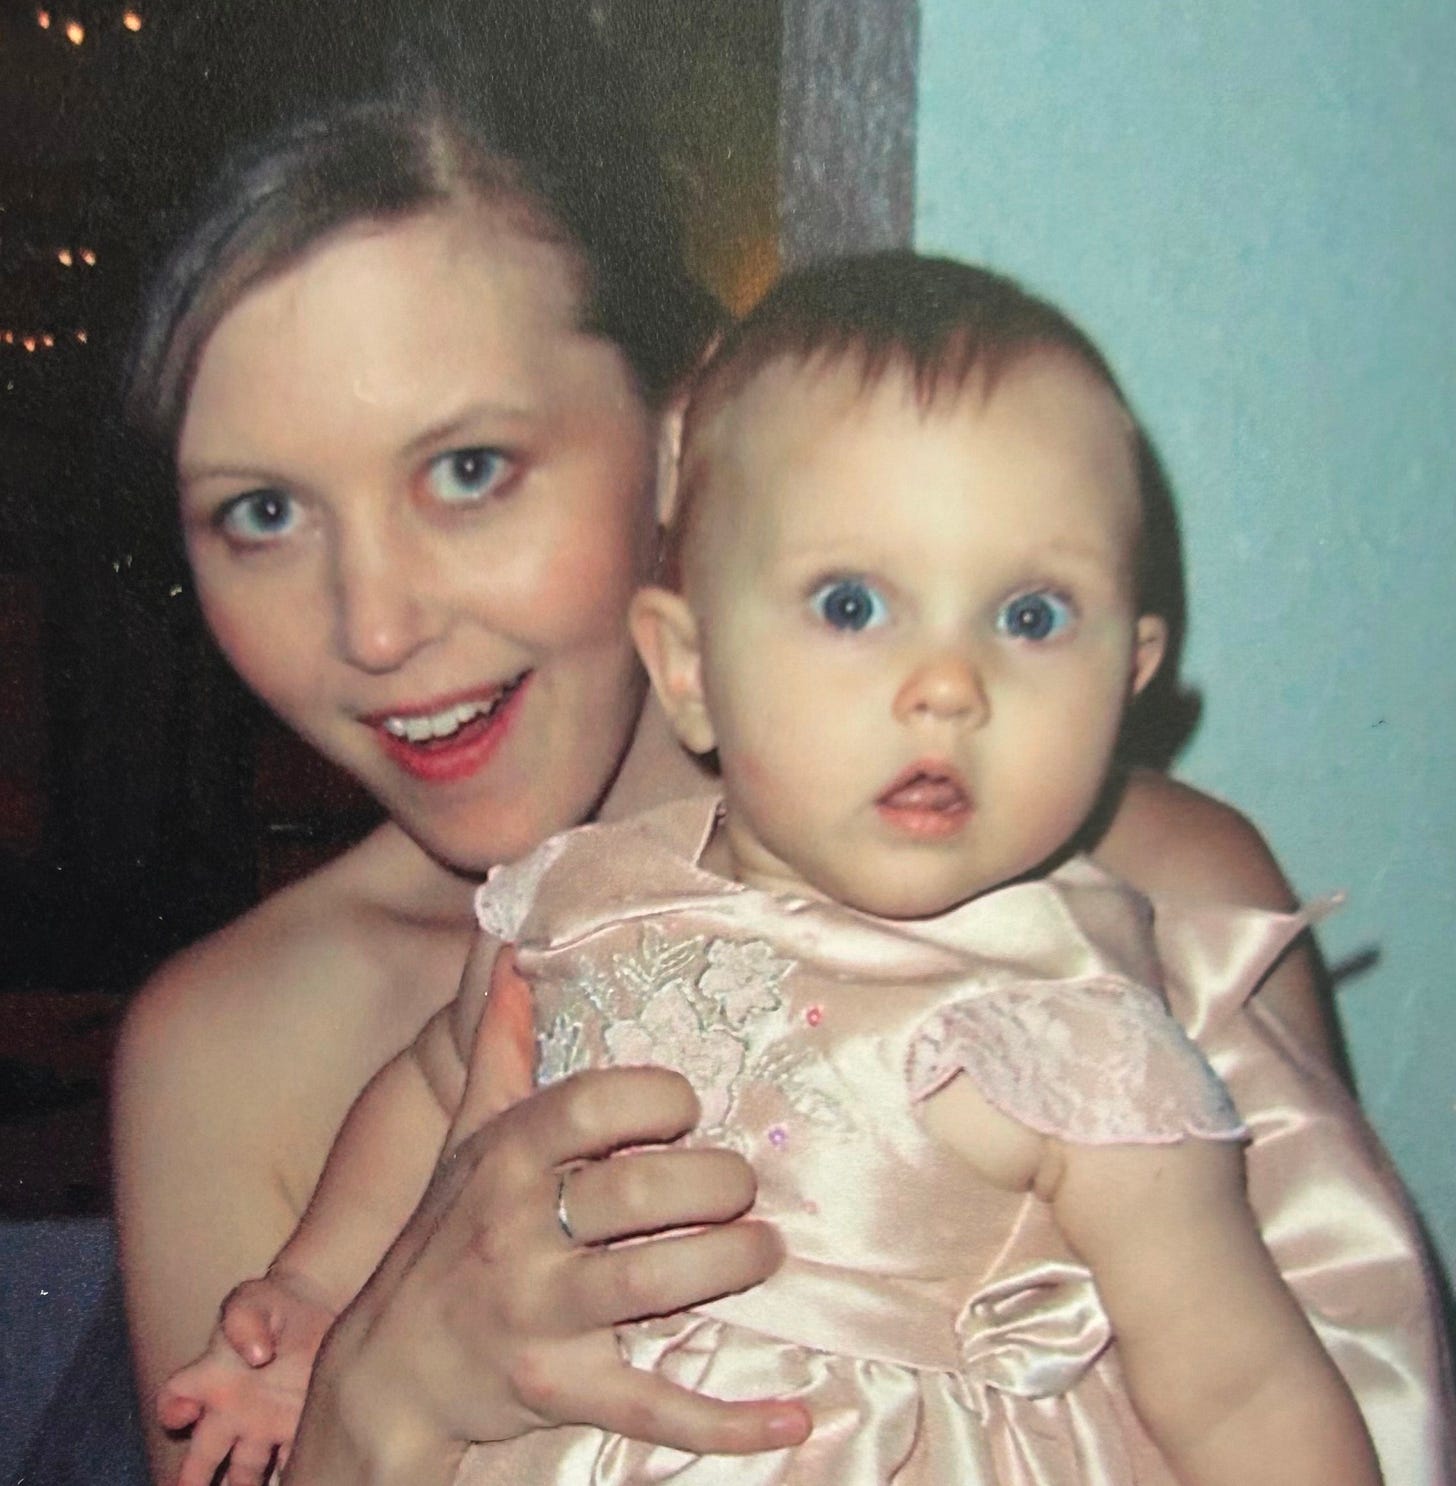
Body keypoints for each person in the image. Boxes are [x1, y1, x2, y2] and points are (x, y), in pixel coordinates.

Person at [112, 72, 1450, 1486]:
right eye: (263, 509)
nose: (375, 625)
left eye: (468, 469)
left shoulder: (1166, 924)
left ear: (680, 432)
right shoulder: (232, 1054)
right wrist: (366, 1411)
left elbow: (1278, 1398)